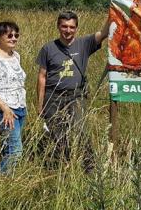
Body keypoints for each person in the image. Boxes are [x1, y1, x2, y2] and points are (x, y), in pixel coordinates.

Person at [36, 11, 109, 169]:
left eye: (71, 27)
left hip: (75, 96)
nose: (67, 30)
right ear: (58, 26)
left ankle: (89, 167)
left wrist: (113, 12)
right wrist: (40, 104)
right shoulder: (48, 48)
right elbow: (42, 76)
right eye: (64, 26)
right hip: (53, 97)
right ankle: (63, 165)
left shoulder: (84, 44)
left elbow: (104, 33)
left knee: (80, 130)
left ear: (76, 28)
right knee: (57, 134)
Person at [0, 22, 27, 173]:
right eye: (9, 35)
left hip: (20, 107)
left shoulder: (16, 56)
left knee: (8, 147)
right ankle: (2, 179)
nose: (13, 38)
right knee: (15, 151)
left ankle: (7, 178)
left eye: (16, 35)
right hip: (3, 111)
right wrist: (5, 109)